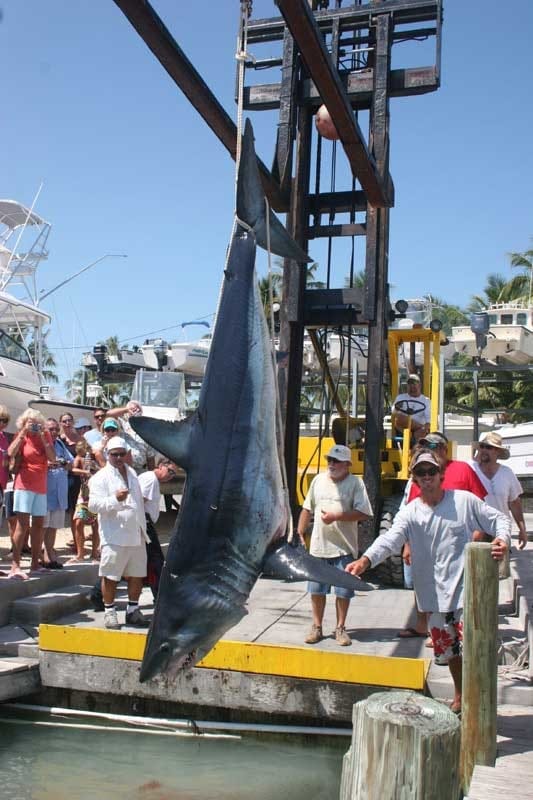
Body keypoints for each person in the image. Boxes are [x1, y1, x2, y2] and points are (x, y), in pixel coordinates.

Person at [346, 450, 511, 714]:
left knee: (475, 650)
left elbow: (499, 519)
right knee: (450, 654)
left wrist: (502, 539)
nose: (426, 477)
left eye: (431, 472)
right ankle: (460, 695)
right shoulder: (410, 513)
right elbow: (389, 541)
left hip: (468, 594)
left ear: (440, 475)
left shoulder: (464, 501)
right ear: (414, 479)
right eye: (420, 473)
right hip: (434, 600)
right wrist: (364, 561)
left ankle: (478, 705)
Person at [398, 431, 488, 639]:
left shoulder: (463, 469)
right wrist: (408, 545)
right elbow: (411, 512)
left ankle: (445, 631)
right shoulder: (420, 474)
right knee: (423, 584)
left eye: (433, 447)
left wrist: (478, 534)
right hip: (426, 542)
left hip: (457, 543)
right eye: (425, 447)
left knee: (454, 588)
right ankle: (423, 625)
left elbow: (481, 504)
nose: (428, 452)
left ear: (444, 450)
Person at [296, 443, 372, 647]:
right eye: (330, 459)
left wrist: (339, 516)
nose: (332, 464)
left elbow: (364, 512)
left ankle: (340, 628)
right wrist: (300, 532)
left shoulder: (356, 484)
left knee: (343, 592)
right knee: (317, 590)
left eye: (337, 461)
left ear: (348, 464)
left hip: (343, 548)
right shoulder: (318, 480)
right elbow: (306, 508)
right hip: (319, 548)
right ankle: (317, 626)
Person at [88, 436, 150, 629]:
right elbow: (93, 505)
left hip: (136, 533)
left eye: (122, 454)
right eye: (115, 454)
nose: (119, 458)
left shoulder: (131, 473)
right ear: (108, 455)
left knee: (137, 575)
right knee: (110, 576)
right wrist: (115, 499)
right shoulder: (100, 478)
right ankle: (109, 612)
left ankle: (133, 610)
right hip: (114, 535)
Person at [7, 409, 56, 579]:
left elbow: (52, 458)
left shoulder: (45, 436)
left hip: (40, 485)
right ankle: (15, 565)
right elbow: (10, 452)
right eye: (31, 422)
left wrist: (43, 436)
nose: (34, 425)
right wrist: (22, 433)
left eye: (37, 422)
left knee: (38, 524)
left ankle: (35, 564)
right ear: (24, 422)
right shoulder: (21, 435)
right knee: (22, 524)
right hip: (24, 483)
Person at [471, 430, 528, 563]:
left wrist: (522, 530)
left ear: (497, 451)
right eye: (482, 446)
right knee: (475, 575)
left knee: (500, 576)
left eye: (488, 447)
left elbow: (514, 503)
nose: (483, 450)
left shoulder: (507, 473)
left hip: (500, 531)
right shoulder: (471, 469)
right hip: (475, 532)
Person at [138, 459, 179, 598]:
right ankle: (162, 596)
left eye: (174, 474)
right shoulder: (150, 480)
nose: (171, 476)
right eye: (170, 471)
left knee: (149, 561)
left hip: (144, 522)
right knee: (157, 560)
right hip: (143, 522)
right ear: (161, 466)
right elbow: (138, 502)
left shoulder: (151, 479)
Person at [42, 418, 74, 569]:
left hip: (60, 492)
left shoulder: (60, 444)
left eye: (55, 429)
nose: (54, 432)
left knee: (53, 527)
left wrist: (61, 463)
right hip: (45, 492)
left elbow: (70, 464)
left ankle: (50, 555)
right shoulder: (41, 443)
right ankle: (41, 556)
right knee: (42, 526)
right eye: (50, 429)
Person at [69, 440, 100, 563]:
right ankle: (80, 554)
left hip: (97, 493)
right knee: (78, 522)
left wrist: (95, 469)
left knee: (96, 524)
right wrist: (86, 472)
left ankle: (94, 553)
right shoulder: (79, 458)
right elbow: (73, 470)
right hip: (84, 493)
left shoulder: (97, 458)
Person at [105, 401, 156, 473]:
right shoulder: (122, 425)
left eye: (138, 409)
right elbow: (109, 414)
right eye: (133, 409)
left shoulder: (147, 432)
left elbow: (150, 458)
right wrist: (126, 409)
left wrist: (152, 474)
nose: (135, 411)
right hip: (121, 468)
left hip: (140, 470)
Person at [392, 374, 430, 443]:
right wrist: (397, 408)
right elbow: (393, 412)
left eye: (414, 385)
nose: (412, 387)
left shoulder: (426, 400)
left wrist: (425, 428)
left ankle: (415, 445)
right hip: (402, 428)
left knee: (425, 429)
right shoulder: (401, 397)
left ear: (419, 385)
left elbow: (429, 419)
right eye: (410, 385)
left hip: (419, 431)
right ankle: (413, 435)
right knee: (399, 418)